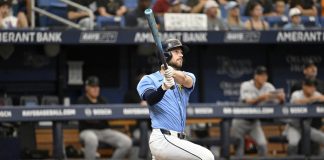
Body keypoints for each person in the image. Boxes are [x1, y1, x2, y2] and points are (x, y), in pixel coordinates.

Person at [137, 39, 214, 160]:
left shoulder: (186, 75)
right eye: (177, 51)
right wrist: (163, 87)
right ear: (165, 55)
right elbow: (150, 99)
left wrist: (172, 73)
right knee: (206, 157)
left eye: (181, 52)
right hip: (163, 138)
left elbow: (186, 81)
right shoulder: (148, 79)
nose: (181, 54)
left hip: (179, 140)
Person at [231, 66, 285, 157]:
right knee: (239, 149)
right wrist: (262, 97)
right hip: (240, 121)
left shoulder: (268, 87)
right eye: (261, 75)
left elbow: (279, 103)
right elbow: (248, 101)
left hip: (254, 122)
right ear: (255, 76)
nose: (263, 77)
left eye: (265, 75)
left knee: (263, 145)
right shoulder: (246, 85)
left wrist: (281, 99)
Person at [77, 76, 132, 159]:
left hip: (104, 131)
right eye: (93, 87)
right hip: (87, 131)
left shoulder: (103, 101)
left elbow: (110, 116)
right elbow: (87, 120)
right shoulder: (81, 101)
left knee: (127, 142)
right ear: (87, 88)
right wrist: (98, 117)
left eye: (97, 86)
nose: (96, 89)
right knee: (92, 139)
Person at [284, 78, 324, 155]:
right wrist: (314, 99)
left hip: (308, 128)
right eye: (309, 86)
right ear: (304, 86)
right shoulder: (296, 94)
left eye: (313, 86)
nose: (312, 88)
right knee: (293, 143)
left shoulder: (317, 94)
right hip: (294, 127)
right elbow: (296, 102)